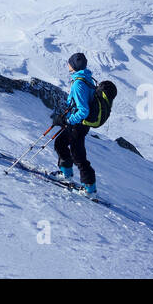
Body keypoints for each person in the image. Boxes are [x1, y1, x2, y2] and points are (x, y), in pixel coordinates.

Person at [51, 53, 97, 197]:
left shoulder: (78, 84)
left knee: (78, 155)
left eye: (69, 63)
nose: (67, 65)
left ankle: (89, 189)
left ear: (74, 66)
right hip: (79, 124)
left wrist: (68, 121)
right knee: (60, 143)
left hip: (78, 124)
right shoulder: (87, 79)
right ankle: (67, 174)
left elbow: (83, 110)